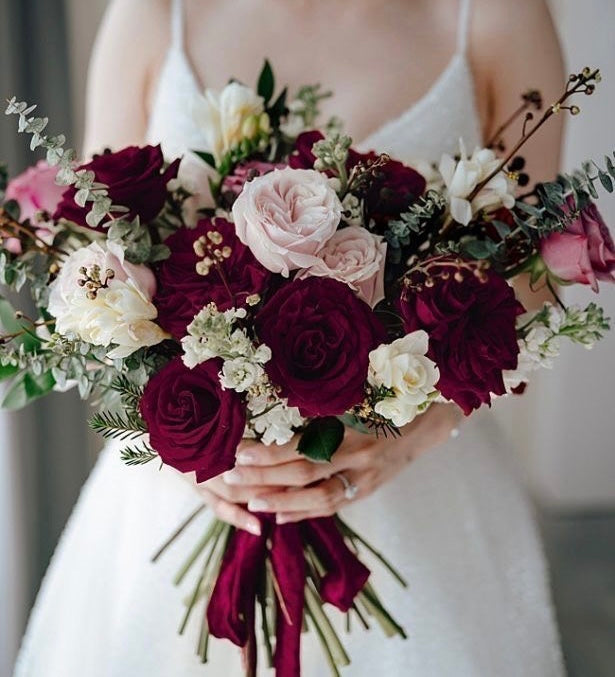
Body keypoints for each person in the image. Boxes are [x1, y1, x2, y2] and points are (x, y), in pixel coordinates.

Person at [14, 1, 566, 675]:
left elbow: (538, 266)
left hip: (421, 485)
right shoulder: (154, 12)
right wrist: (190, 442)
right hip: (178, 498)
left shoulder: (494, 16)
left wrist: (417, 429)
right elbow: (93, 263)